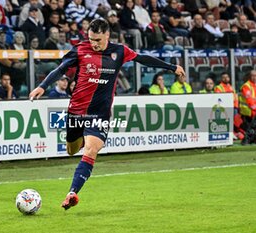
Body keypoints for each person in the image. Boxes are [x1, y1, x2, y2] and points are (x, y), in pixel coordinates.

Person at [29, 19, 185, 210]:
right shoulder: (80, 50)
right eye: (91, 39)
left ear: (107, 36)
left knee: (91, 150)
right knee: (71, 149)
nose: (94, 43)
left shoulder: (119, 51)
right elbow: (60, 69)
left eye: (98, 40)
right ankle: (77, 150)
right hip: (76, 112)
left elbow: (142, 58)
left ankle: (72, 193)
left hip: (100, 114)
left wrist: (172, 67)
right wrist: (42, 86)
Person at [239, 70, 256, 145]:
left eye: (255, 75)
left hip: (253, 111)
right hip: (248, 112)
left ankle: (252, 140)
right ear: (249, 76)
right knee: (250, 129)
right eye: (252, 75)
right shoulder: (246, 86)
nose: (254, 77)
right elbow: (249, 99)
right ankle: (245, 141)